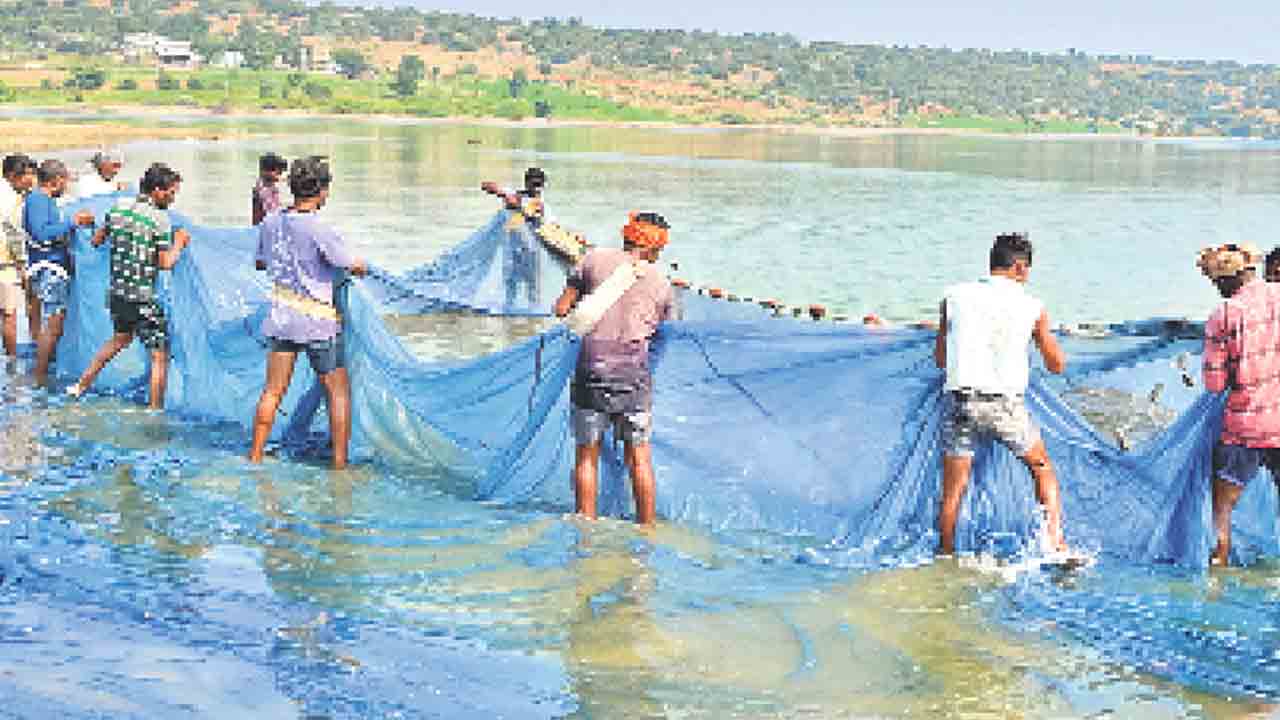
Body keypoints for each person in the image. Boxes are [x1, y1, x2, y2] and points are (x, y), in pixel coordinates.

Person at [933, 232, 1068, 556]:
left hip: (960, 402)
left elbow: (941, 359)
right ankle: (1055, 543)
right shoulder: (1032, 306)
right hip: (1004, 406)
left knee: (953, 489)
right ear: (1020, 268)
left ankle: (945, 552)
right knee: (1042, 468)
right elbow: (1056, 365)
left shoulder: (953, 296)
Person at [553, 212, 676, 525]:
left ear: (627, 236)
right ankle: (647, 527)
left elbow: (561, 309)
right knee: (639, 458)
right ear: (655, 249)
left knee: (587, 455)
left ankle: (586, 525)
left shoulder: (592, 260)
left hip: (591, 374)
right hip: (634, 380)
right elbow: (664, 331)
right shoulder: (662, 283)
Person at [249, 156, 366, 470]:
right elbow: (349, 263)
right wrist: (363, 266)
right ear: (322, 190)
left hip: (281, 319)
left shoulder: (271, 221)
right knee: (337, 392)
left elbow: (260, 262)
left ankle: (255, 456)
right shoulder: (320, 227)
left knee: (272, 391)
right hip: (318, 322)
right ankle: (340, 466)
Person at [67, 164, 191, 408]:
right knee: (159, 355)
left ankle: (80, 386)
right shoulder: (160, 220)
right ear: (157, 190)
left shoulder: (118, 208)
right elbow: (165, 263)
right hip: (143, 298)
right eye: (171, 193)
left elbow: (96, 240)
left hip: (118, 294)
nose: (173, 199)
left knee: (119, 339)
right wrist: (179, 242)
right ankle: (154, 410)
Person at [1197, 244, 1280, 566]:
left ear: (1226, 280)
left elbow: (1215, 384)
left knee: (1223, 508)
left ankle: (1217, 569)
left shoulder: (1225, 314)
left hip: (1245, 427)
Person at [24, 159, 95, 384]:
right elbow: (41, 233)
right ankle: (40, 378)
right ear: (56, 181)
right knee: (53, 327)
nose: (66, 186)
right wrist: (73, 222)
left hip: (52, 268)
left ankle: (43, 372)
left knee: (54, 326)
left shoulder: (45, 200)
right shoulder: (37, 200)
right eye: (65, 181)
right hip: (48, 269)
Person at [0, 155, 36, 357]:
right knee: (9, 314)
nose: (30, 179)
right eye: (27, 175)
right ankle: (12, 360)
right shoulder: (10, 199)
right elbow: (13, 234)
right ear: (13, 175)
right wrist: (22, 266)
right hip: (5, 263)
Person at [252, 153, 288, 226]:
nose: (280, 174)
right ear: (264, 171)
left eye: (280, 172)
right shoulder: (261, 190)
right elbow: (263, 216)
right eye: (277, 171)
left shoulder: (272, 186)